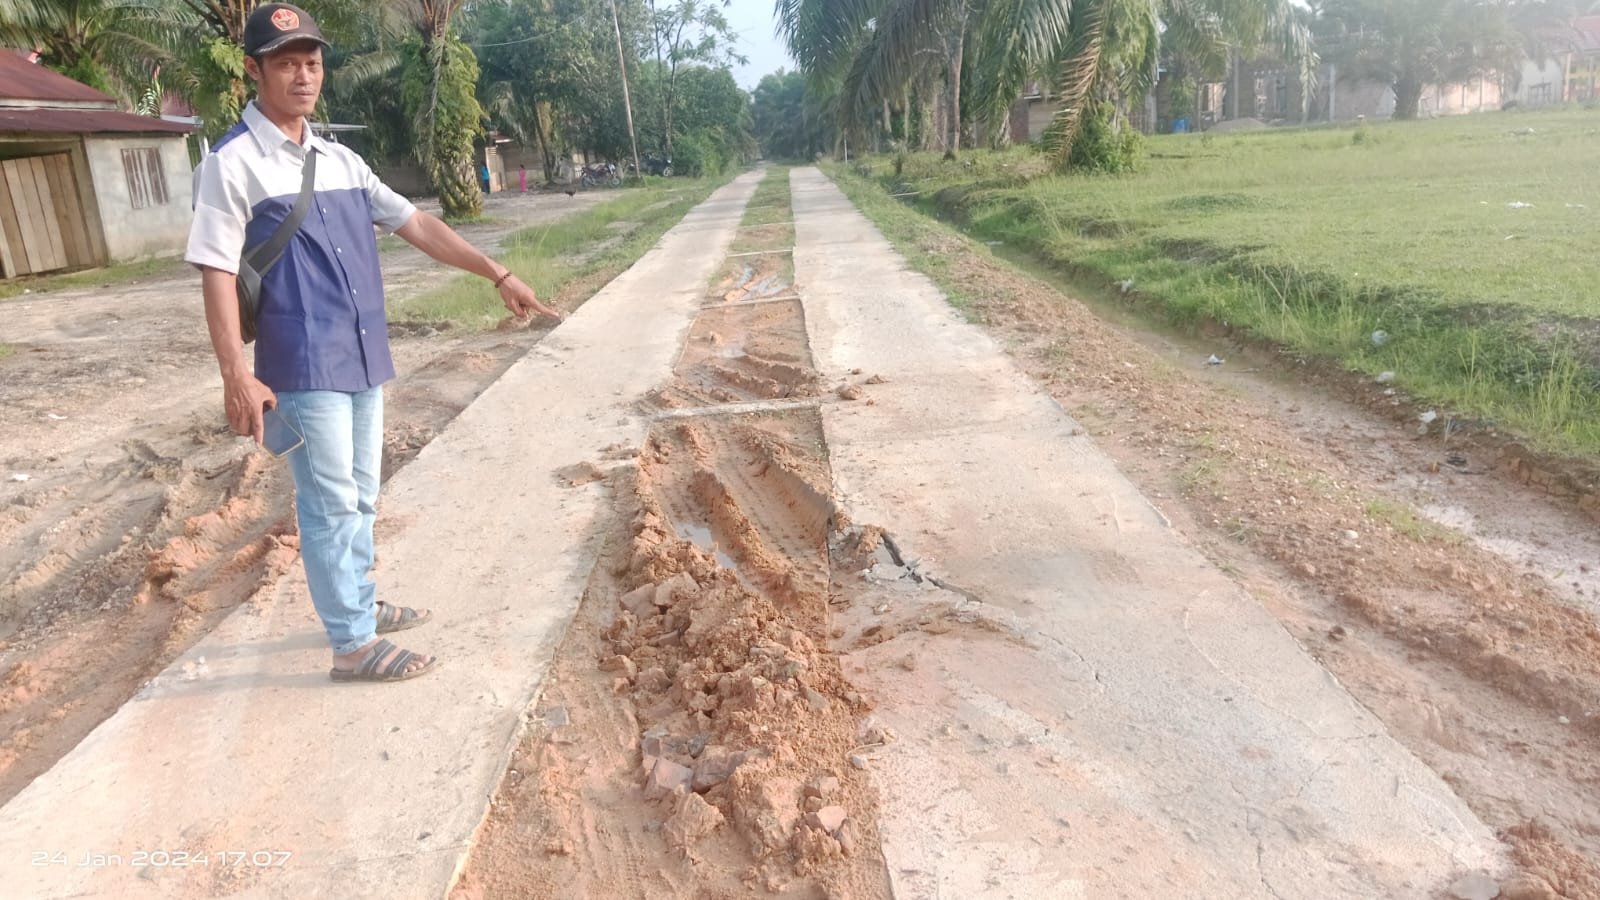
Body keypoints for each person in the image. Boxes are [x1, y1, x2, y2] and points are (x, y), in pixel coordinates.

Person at [185, 3, 560, 684]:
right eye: (286, 62)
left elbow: (416, 223)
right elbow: (214, 272)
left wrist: (496, 272)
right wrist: (236, 375)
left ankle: (357, 604)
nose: (303, 75)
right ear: (254, 70)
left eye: (312, 61)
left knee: (359, 494)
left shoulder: (341, 159)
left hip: (362, 356)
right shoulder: (231, 165)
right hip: (301, 365)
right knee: (328, 503)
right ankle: (352, 645)